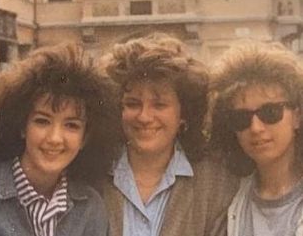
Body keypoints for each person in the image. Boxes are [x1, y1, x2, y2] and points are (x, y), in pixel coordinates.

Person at [0, 43, 122, 236]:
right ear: (22, 125)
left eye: (71, 125)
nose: (55, 138)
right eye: (42, 121)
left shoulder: (91, 208)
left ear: (85, 138)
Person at [101, 33, 238, 236]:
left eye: (159, 104)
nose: (144, 116)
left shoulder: (215, 183)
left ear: (183, 114)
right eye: (132, 103)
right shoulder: (94, 175)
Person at [210, 41, 303, 236]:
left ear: (297, 116)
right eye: (241, 118)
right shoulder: (226, 199)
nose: (256, 128)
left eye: (270, 112)